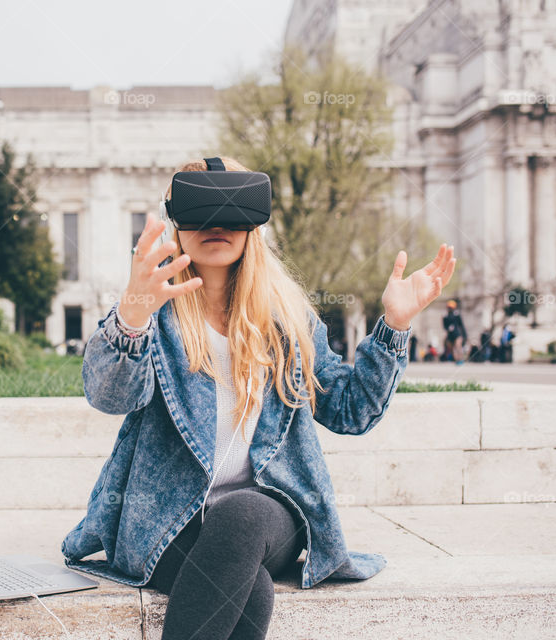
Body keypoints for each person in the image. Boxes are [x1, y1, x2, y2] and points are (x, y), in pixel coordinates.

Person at [61, 156, 457, 640]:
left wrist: (394, 324)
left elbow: (350, 411)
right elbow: (109, 397)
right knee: (254, 591)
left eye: (234, 206)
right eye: (201, 206)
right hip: (170, 515)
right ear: (175, 220)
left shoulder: (288, 320)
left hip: (270, 512)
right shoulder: (155, 315)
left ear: (256, 223)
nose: (217, 223)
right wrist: (133, 313)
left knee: (242, 513)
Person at [442, 299, 467, 364]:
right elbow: (444, 326)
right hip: (450, 335)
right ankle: (457, 360)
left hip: (457, 334)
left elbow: (461, 325)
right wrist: (448, 328)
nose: (450, 309)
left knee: (458, 346)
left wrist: (464, 334)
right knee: (453, 348)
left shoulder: (457, 315)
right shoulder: (445, 316)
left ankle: (460, 359)